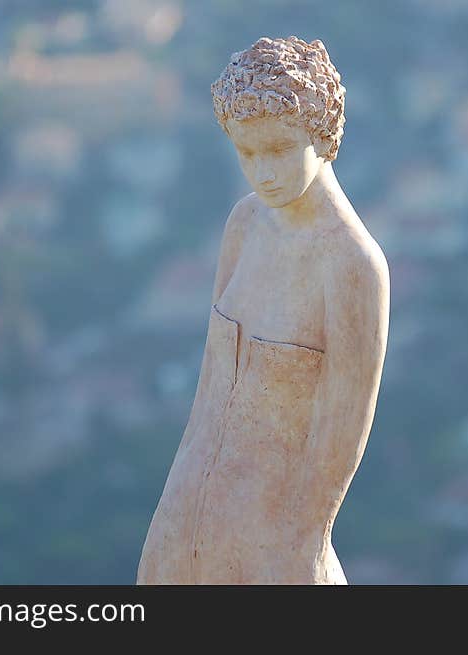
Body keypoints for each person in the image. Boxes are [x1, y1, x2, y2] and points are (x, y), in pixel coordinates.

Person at [137, 36, 389, 584]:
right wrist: (171, 518)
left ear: (321, 136)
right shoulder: (244, 225)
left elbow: (343, 432)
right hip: (191, 508)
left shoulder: (352, 266)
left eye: (278, 149)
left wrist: (303, 542)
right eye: (246, 152)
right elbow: (209, 389)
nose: (262, 172)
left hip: (277, 532)